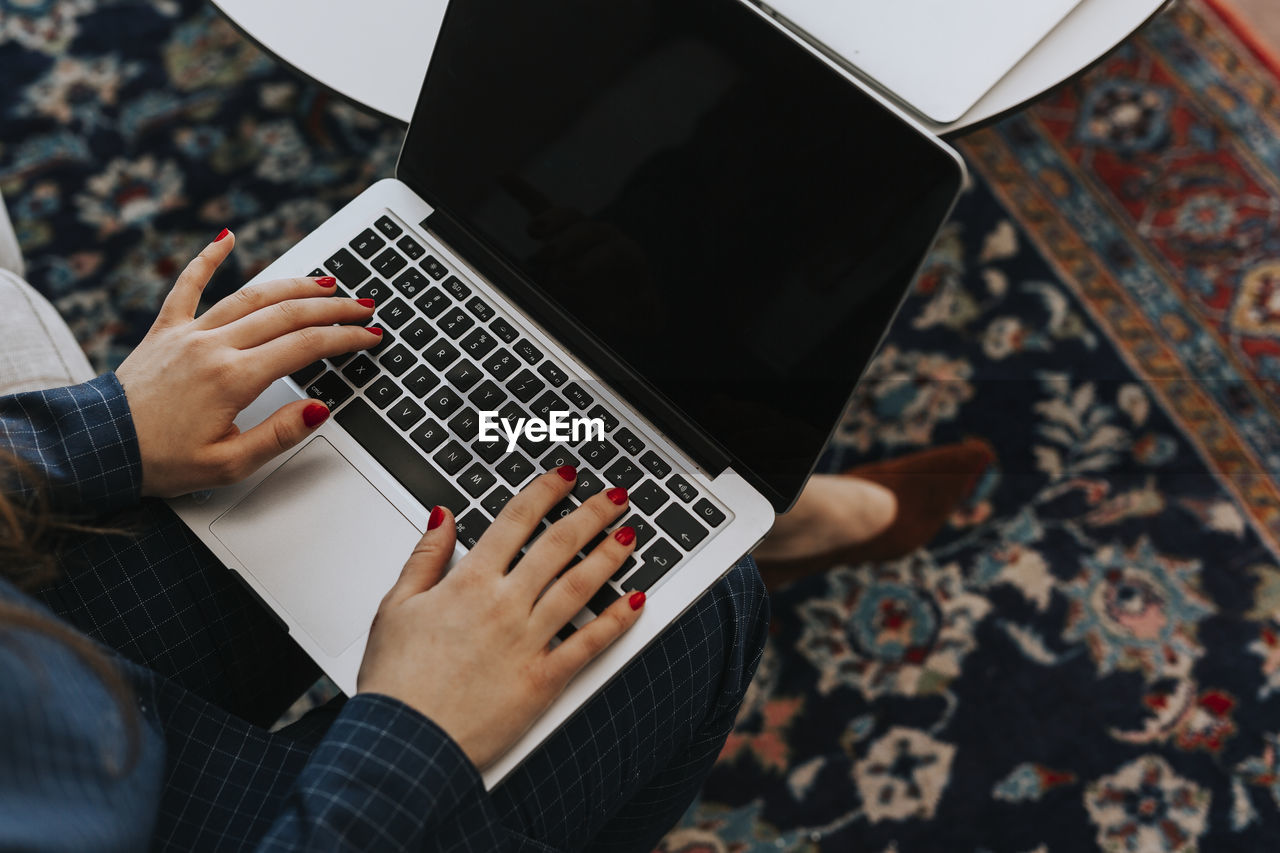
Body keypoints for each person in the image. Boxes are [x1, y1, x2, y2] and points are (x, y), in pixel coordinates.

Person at [0, 229, 979, 849]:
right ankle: (769, 532)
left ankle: (748, 506)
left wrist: (102, 429)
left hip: (32, 660)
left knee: (358, 381)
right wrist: (412, 733)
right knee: (690, 605)